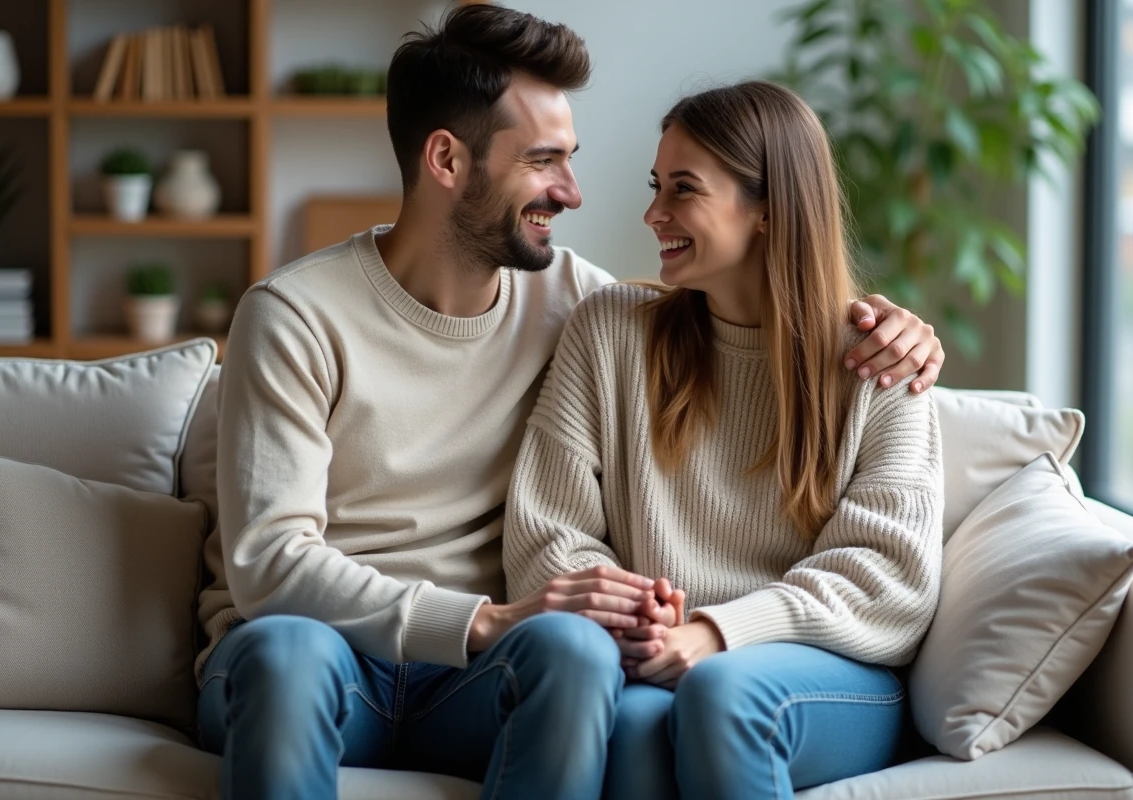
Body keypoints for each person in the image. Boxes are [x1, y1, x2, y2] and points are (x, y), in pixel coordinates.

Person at [193, 6, 947, 800]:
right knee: (287, 656)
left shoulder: (577, 301)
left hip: (474, 678)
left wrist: (895, 328)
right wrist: (484, 621)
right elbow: (269, 564)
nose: (577, 194)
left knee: (576, 653)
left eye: (573, 159)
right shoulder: (295, 316)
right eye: (544, 161)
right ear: (447, 159)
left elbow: (742, 314)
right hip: (321, 655)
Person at [503, 79, 945, 800]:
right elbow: (548, 532)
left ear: (768, 209)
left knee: (723, 697)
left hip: (825, 670)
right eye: (657, 186)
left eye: (683, 190)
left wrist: (716, 632)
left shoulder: (877, 361)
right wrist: (636, 614)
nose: (653, 213)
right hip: (654, 657)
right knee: (633, 732)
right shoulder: (610, 331)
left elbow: (888, 581)